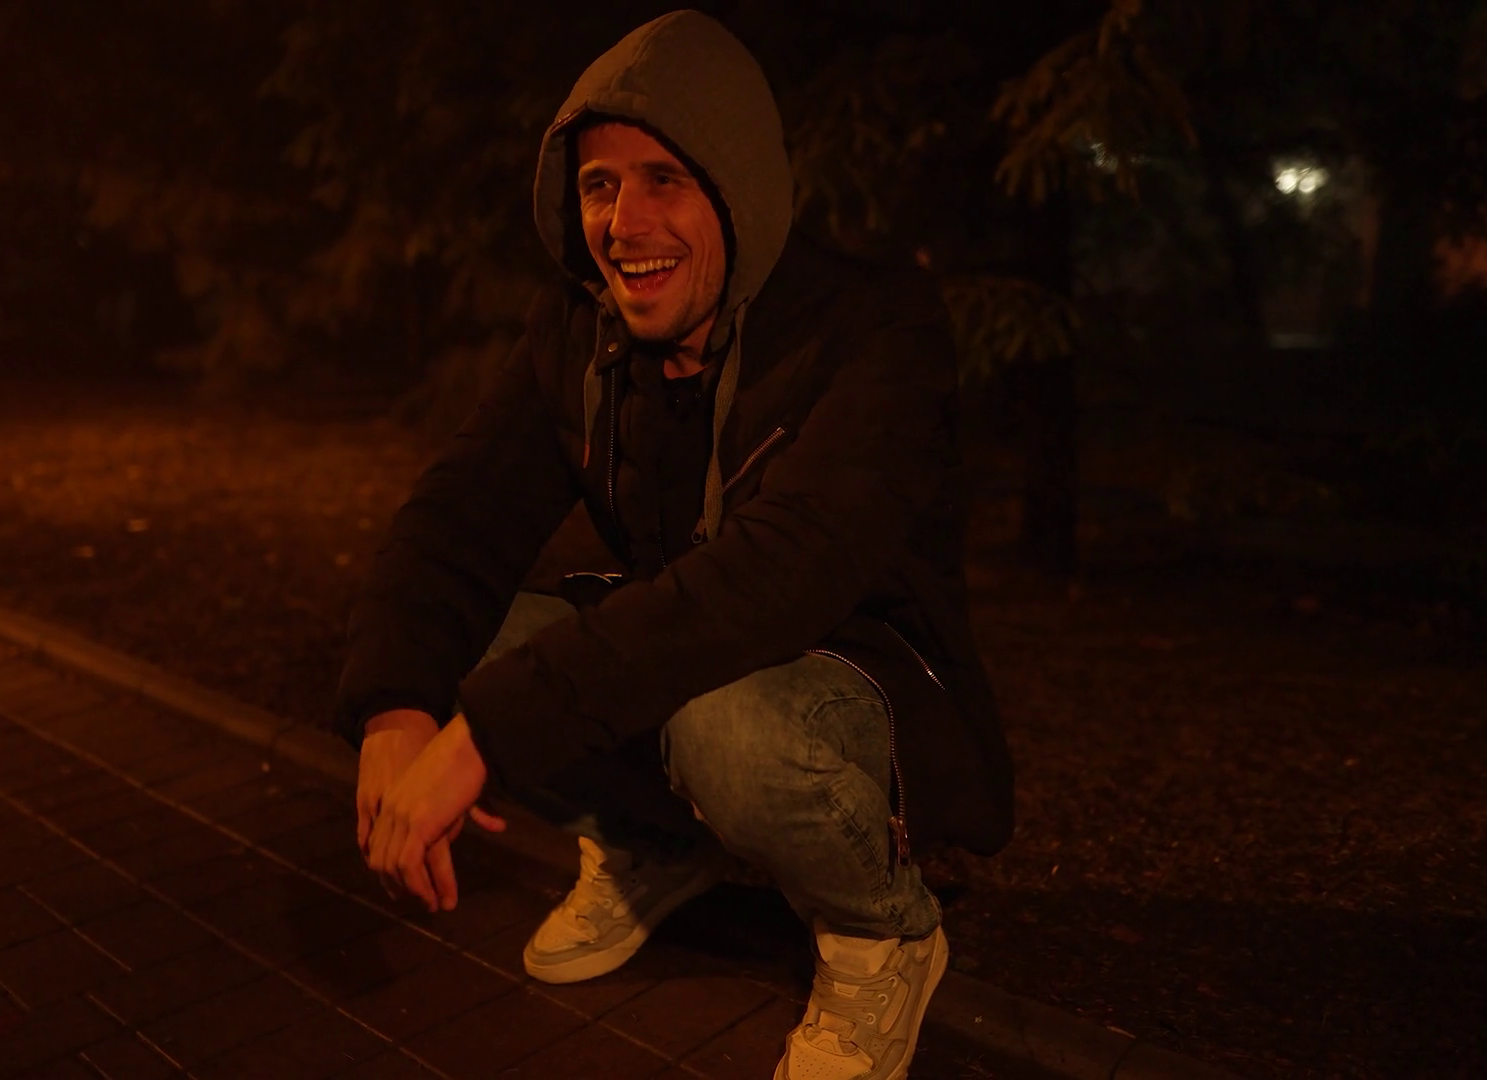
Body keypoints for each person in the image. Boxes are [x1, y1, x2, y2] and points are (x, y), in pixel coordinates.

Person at [339, 10, 1014, 1079]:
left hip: (862, 687)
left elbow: (773, 578)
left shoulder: (876, 329)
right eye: (599, 185)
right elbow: (457, 519)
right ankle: (653, 845)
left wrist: (478, 742)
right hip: (691, 655)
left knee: (719, 725)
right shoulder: (577, 332)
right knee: (462, 651)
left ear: (738, 188)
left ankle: (883, 932)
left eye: (666, 180)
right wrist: (395, 713)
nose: (624, 222)